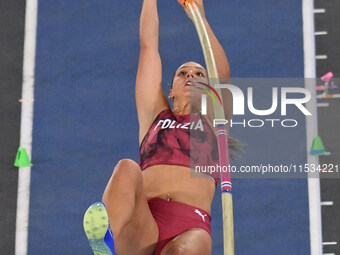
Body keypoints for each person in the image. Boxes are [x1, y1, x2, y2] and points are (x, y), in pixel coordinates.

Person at [83, 0, 240, 254]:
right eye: (183, 73)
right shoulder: (154, 116)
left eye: (199, 74)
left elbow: (222, 74)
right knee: (126, 168)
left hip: (190, 225)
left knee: (182, 251)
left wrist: (199, 18)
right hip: (144, 223)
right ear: (171, 91)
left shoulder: (213, 121)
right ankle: (105, 241)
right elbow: (148, 48)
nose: (190, 76)